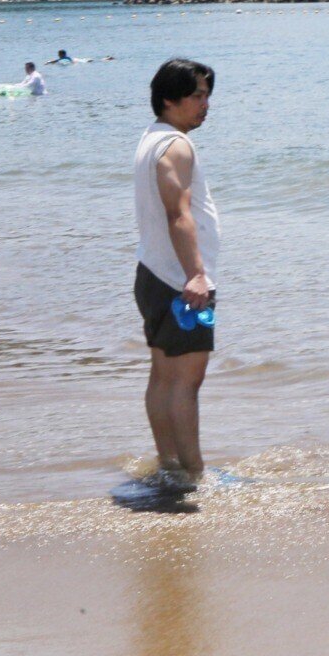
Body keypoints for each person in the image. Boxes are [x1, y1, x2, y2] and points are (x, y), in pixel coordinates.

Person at [132, 58, 221, 497]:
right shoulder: (177, 146)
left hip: (152, 272)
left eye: (208, 95)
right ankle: (195, 475)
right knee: (186, 381)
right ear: (169, 99)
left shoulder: (151, 138)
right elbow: (178, 214)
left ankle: (169, 466)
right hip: (177, 279)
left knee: (163, 377)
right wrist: (197, 275)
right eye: (197, 96)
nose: (206, 105)